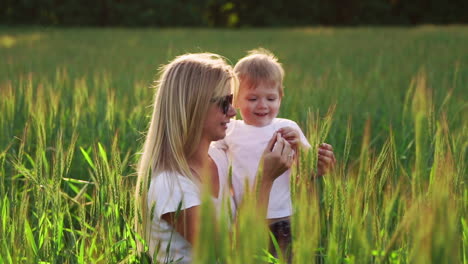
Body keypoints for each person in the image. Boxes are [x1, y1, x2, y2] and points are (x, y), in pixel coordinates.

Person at [134, 53, 295, 263]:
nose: (233, 112)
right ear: (193, 106)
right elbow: (232, 253)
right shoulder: (170, 185)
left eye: (233, 100)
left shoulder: (220, 156)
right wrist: (264, 179)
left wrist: (308, 167)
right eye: (224, 102)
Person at [211, 48, 336, 259]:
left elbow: (308, 171)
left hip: (284, 220)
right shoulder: (230, 130)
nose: (262, 106)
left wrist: (306, 152)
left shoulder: (288, 128)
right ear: (235, 100)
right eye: (252, 99)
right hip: (248, 216)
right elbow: (208, 150)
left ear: (281, 97)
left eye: (271, 98)